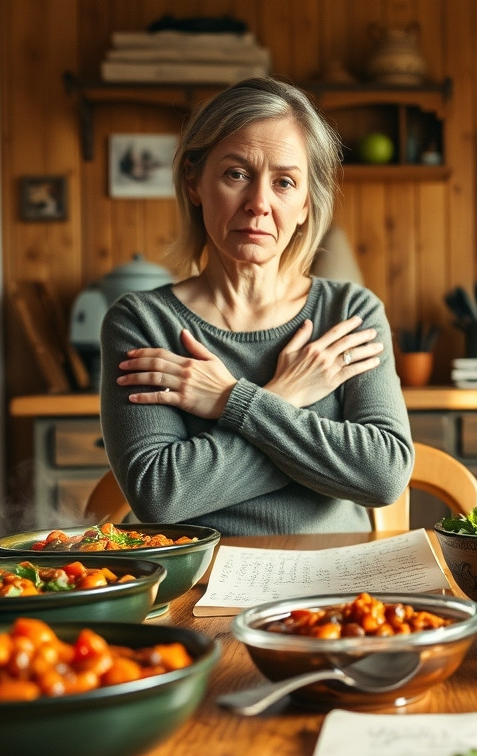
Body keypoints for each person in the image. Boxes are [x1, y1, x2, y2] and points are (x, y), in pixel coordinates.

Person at [99, 77, 413, 536]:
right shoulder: (142, 322)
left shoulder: (350, 313)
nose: (259, 204)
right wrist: (287, 395)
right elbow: (160, 496)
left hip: (337, 581)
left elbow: (383, 475)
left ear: (306, 203)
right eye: (236, 174)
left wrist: (232, 400)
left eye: (285, 182)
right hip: (202, 589)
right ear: (193, 182)